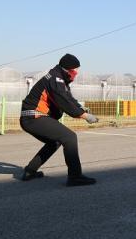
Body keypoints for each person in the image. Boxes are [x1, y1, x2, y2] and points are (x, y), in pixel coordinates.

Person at [20, 54, 99, 187]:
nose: (76, 72)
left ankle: (30, 171)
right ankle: (75, 177)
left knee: (55, 142)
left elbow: (69, 99)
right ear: (68, 69)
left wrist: (82, 109)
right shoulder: (56, 79)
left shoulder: (59, 78)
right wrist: (85, 116)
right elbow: (64, 101)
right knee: (70, 137)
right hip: (34, 117)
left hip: (31, 118)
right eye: (75, 69)